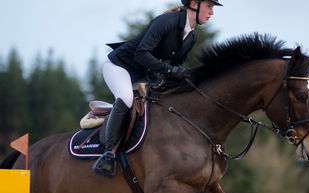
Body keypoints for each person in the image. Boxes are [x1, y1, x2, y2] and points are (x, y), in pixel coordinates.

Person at [93, 0, 223, 177]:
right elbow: (141, 53)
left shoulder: (191, 36)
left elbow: (176, 66)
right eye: (209, 6)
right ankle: (108, 155)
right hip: (119, 66)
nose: (212, 13)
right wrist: (170, 70)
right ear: (194, 3)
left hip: (143, 75)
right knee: (126, 98)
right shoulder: (166, 22)